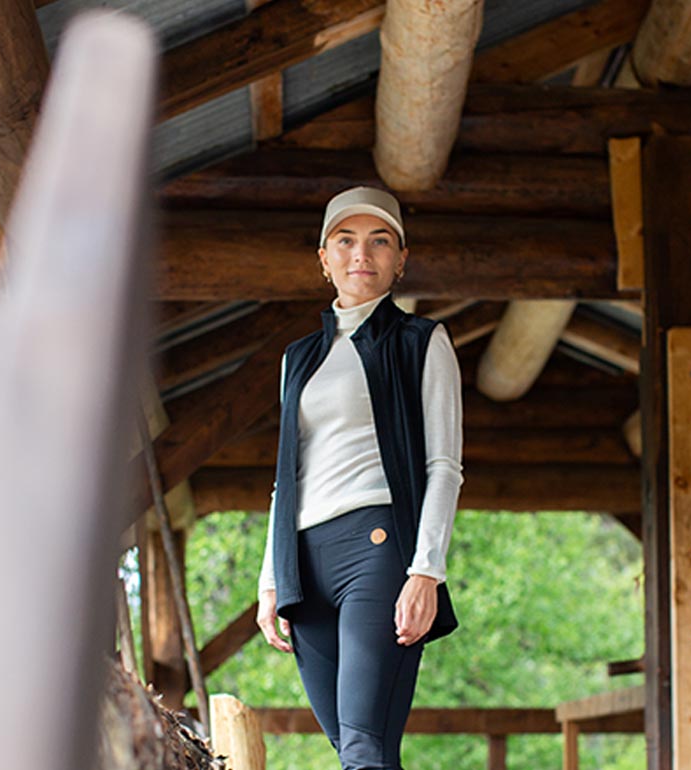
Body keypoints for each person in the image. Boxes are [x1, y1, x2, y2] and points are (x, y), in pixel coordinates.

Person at [256, 186, 463, 770]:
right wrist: (270, 579)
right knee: (358, 749)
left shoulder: (421, 342)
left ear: (401, 259)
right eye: (345, 241)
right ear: (324, 259)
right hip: (304, 561)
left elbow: (444, 466)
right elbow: (287, 476)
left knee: (363, 749)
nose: (361, 255)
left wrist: (426, 570)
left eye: (380, 241)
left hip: (377, 550)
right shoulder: (297, 358)